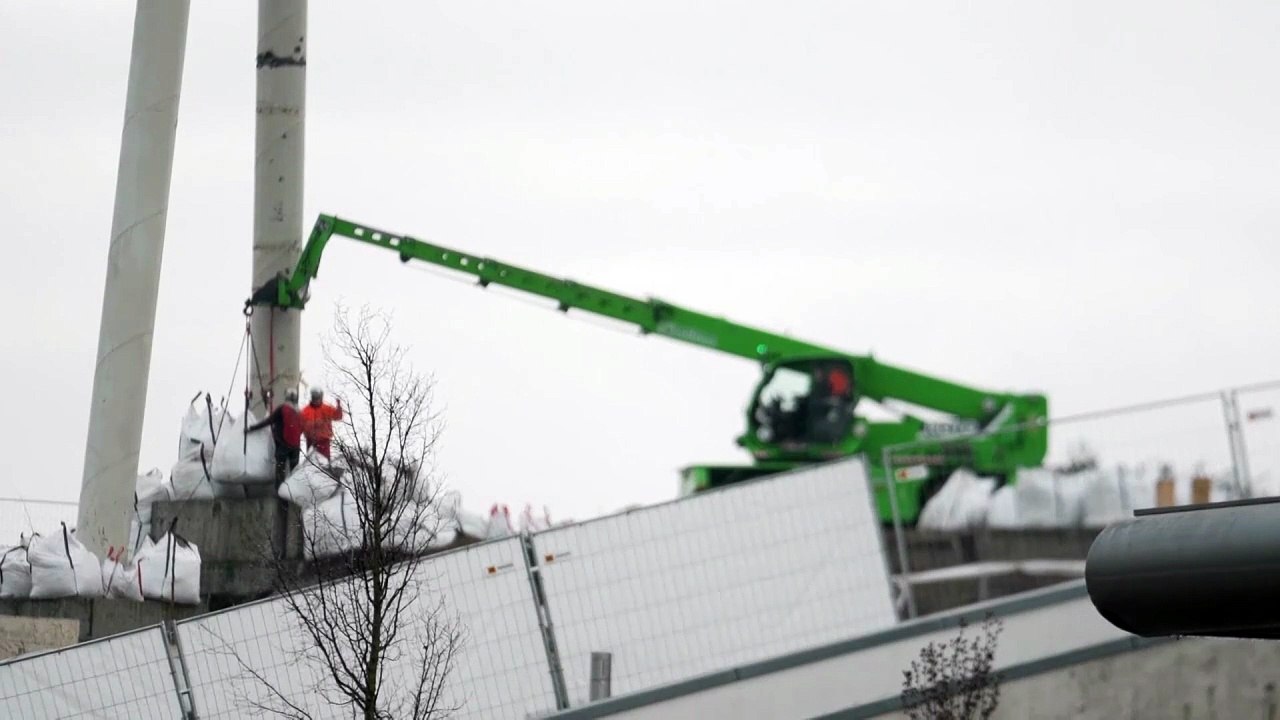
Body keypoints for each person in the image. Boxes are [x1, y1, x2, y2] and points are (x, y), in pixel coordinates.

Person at [248, 388, 303, 484]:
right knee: (294, 471)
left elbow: (268, 421)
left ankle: (280, 493)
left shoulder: (282, 409)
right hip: (296, 446)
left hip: (283, 445)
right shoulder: (299, 412)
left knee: (280, 471)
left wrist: (252, 428)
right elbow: (303, 427)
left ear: (286, 397)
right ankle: (293, 494)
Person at [300, 386, 343, 459]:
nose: (316, 400)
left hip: (324, 441)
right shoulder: (305, 411)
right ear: (312, 397)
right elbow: (300, 426)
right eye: (315, 397)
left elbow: (337, 416)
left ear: (321, 397)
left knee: (324, 462)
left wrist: (339, 407)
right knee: (311, 463)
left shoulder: (327, 408)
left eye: (318, 397)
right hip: (310, 441)